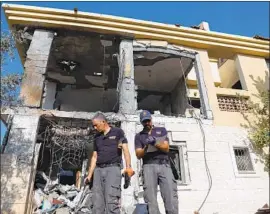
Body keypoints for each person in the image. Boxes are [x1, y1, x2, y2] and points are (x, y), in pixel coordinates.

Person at [85, 112, 134, 214]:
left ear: (103, 122)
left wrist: (128, 167)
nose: (94, 127)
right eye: (93, 125)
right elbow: (94, 157)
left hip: (112, 169)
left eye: (96, 125)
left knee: (112, 202)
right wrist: (89, 175)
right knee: (97, 204)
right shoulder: (97, 137)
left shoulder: (117, 132)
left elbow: (125, 150)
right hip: (98, 171)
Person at [134, 110, 178, 214]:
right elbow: (138, 154)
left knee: (170, 196)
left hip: (163, 164)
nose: (147, 123)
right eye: (144, 122)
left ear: (151, 119)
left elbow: (166, 148)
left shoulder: (161, 130)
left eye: (148, 120)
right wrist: (146, 147)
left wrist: (155, 142)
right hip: (148, 165)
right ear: (141, 122)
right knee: (150, 198)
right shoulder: (139, 136)